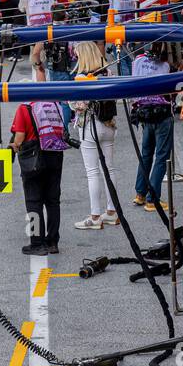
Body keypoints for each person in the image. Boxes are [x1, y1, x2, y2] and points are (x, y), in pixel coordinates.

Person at [10, 65, 69, 255]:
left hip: (33, 159)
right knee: (53, 201)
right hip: (55, 154)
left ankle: (37, 243)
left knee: (33, 201)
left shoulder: (24, 108)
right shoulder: (52, 105)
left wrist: (12, 148)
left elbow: (19, 138)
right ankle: (53, 242)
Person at [70, 41, 119, 230]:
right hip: (109, 124)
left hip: (90, 126)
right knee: (110, 169)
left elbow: (77, 105)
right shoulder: (108, 73)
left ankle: (95, 215)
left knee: (92, 172)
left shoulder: (82, 77)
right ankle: (112, 211)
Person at [129, 41, 173, 212]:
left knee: (146, 154)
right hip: (162, 114)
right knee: (161, 157)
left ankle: (140, 193)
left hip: (144, 112)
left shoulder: (138, 61)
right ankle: (152, 198)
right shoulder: (165, 65)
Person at [107, 0, 137, 75]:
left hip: (119, 30)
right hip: (130, 28)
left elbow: (116, 15)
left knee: (122, 60)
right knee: (129, 59)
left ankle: (126, 89)